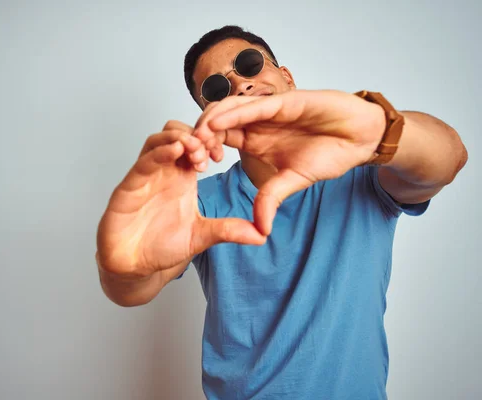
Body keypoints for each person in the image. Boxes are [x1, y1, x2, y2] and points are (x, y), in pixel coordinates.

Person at [95, 25, 468, 399]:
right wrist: (122, 268)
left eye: (250, 64)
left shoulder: (363, 173)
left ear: (285, 76)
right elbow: (135, 286)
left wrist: (377, 128)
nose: (240, 85)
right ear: (209, 114)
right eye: (216, 89)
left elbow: (447, 159)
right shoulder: (198, 201)